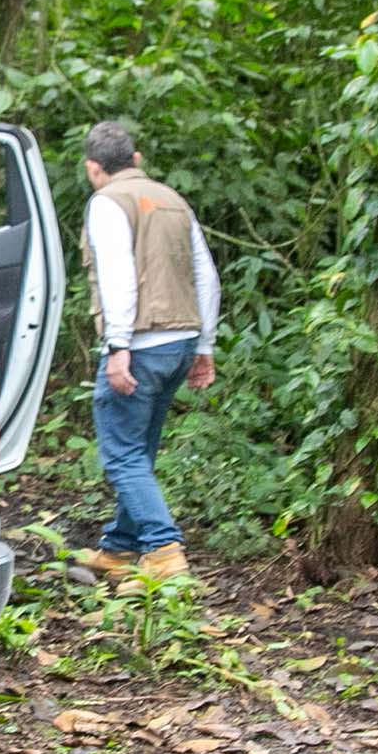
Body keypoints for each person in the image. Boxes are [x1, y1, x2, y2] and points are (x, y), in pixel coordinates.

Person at [72, 121, 218, 586]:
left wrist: (118, 348)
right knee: (141, 450)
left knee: (121, 456)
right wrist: (205, 346)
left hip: (139, 343)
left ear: (93, 168)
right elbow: (206, 276)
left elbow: (117, 277)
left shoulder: (107, 203)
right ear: (135, 160)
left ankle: (163, 549)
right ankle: (119, 549)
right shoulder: (174, 201)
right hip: (180, 342)